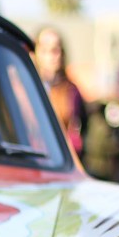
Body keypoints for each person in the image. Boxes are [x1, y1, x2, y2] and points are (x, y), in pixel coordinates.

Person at [34, 26, 86, 156]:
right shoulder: (27, 87)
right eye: (46, 50)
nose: (53, 55)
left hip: (62, 157)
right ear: (36, 53)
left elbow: (81, 127)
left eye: (56, 49)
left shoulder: (71, 91)